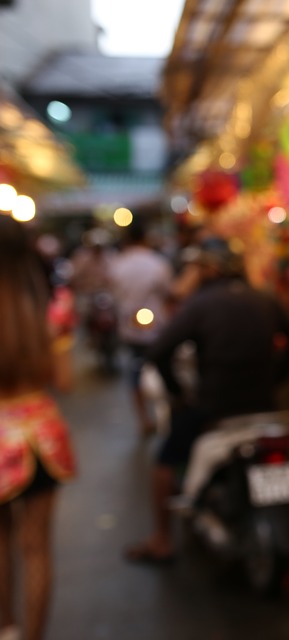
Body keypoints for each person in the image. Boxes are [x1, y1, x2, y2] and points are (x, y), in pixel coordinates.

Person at [125, 238, 289, 563]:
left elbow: (160, 352)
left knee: (165, 460)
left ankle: (162, 539)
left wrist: (179, 394)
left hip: (216, 408)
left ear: (209, 269)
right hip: (264, 404)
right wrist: (277, 378)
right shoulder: (264, 299)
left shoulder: (201, 305)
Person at [0, 216, 77, 640]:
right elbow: (63, 381)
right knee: (37, 550)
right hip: (41, 437)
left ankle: (5, 628)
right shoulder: (52, 305)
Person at [108, 222, 173, 436]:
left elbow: (114, 294)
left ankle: (144, 419)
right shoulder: (157, 263)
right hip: (158, 328)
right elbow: (168, 293)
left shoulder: (117, 264)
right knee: (164, 368)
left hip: (130, 328)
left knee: (135, 372)